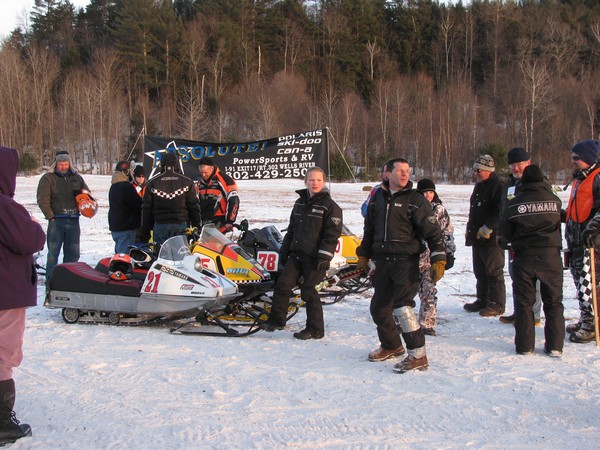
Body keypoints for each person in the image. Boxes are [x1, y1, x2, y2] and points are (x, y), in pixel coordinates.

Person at [356, 158, 446, 373]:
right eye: (400, 170)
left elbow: (433, 232)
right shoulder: (377, 198)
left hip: (406, 262)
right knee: (378, 307)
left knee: (403, 308)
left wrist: (439, 258)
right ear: (387, 173)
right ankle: (391, 345)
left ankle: (418, 355)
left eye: (407, 171)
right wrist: (363, 254)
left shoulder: (416, 200)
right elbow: (369, 231)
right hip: (382, 262)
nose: (405, 174)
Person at [259, 167, 343, 340]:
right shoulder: (300, 203)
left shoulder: (331, 207)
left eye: (319, 180)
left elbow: (332, 234)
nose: (315, 183)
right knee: (282, 285)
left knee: (309, 291)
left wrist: (324, 256)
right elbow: (291, 230)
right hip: (296, 254)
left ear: (324, 182)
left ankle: (315, 329)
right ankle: (276, 320)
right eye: (311, 180)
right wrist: (284, 251)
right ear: (306, 182)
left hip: (315, 258)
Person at [0, 147, 46, 445]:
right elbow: (29, 238)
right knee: (4, 353)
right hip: (6, 292)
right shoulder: (4, 206)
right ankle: (2, 422)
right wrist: (34, 225)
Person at [500, 165, 564, 356]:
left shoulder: (514, 203)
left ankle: (525, 346)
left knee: (524, 303)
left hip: (524, 257)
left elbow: (505, 233)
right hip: (551, 256)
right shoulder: (555, 201)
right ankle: (555, 347)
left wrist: (508, 244)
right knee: (553, 302)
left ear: (524, 182)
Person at [498, 147, 543, 326]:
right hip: (513, 240)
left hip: (532, 241)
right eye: (512, 165)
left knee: (534, 280)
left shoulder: (539, 182)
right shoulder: (509, 184)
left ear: (528, 163)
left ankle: (534, 315)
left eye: (519, 165)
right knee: (517, 277)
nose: (516, 169)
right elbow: (505, 209)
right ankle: (521, 312)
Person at [564, 140, 600, 343]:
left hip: (591, 243)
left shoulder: (597, 177)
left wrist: (593, 227)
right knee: (579, 281)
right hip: (575, 240)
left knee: (590, 282)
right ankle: (586, 317)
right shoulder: (579, 178)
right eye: (572, 157)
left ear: (588, 158)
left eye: (576, 158)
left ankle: (592, 324)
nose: (573, 161)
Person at [36, 150, 90, 282]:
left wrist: (84, 196)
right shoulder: (48, 179)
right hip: (56, 222)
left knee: (73, 254)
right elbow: (42, 199)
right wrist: (50, 216)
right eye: (61, 164)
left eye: (66, 164)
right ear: (56, 164)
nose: (64, 167)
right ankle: (51, 282)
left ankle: (68, 281)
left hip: (74, 220)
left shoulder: (77, 178)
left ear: (69, 164)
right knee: (53, 254)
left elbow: (87, 194)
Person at [463, 154, 506, 317]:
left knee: (494, 271)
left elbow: (500, 210)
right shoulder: (479, 186)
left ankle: (497, 303)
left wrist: (489, 227)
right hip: (477, 236)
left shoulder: (498, 186)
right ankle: (483, 299)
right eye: (474, 170)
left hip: (491, 238)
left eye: (479, 170)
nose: (476, 173)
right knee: (479, 270)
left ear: (488, 170)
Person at [416, 179, 456, 336]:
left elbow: (447, 232)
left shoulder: (439, 210)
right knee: (405, 290)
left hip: (431, 258)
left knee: (429, 291)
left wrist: (449, 253)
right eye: (425, 192)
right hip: (412, 257)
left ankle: (427, 323)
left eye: (431, 192)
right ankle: (400, 319)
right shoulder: (413, 208)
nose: (428, 195)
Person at [138, 152, 201, 245]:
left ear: (162, 164)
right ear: (177, 164)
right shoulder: (187, 182)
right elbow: (193, 206)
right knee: (180, 255)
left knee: (161, 256)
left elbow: (146, 209)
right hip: (181, 224)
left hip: (160, 225)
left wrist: (145, 233)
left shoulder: (152, 183)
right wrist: (197, 228)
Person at [196, 157, 239, 232]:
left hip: (219, 221)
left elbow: (234, 200)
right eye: (201, 172)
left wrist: (229, 221)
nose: (203, 175)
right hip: (203, 221)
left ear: (212, 168)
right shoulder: (200, 182)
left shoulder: (225, 179)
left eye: (205, 172)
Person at [108, 160, 142, 254]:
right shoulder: (126, 187)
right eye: (131, 171)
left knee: (119, 255)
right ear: (125, 172)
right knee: (124, 259)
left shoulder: (114, 186)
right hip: (126, 228)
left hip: (116, 227)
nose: (133, 173)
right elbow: (139, 205)